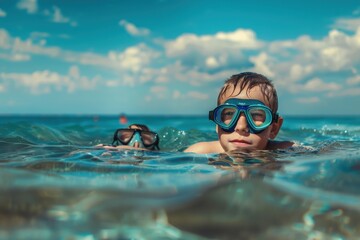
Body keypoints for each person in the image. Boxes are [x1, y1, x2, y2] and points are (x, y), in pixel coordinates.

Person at [185, 72, 294, 154]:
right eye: (229, 114)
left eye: (256, 114)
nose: (241, 127)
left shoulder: (286, 151)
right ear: (217, 123)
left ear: (274, 128)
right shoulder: (200, 152)